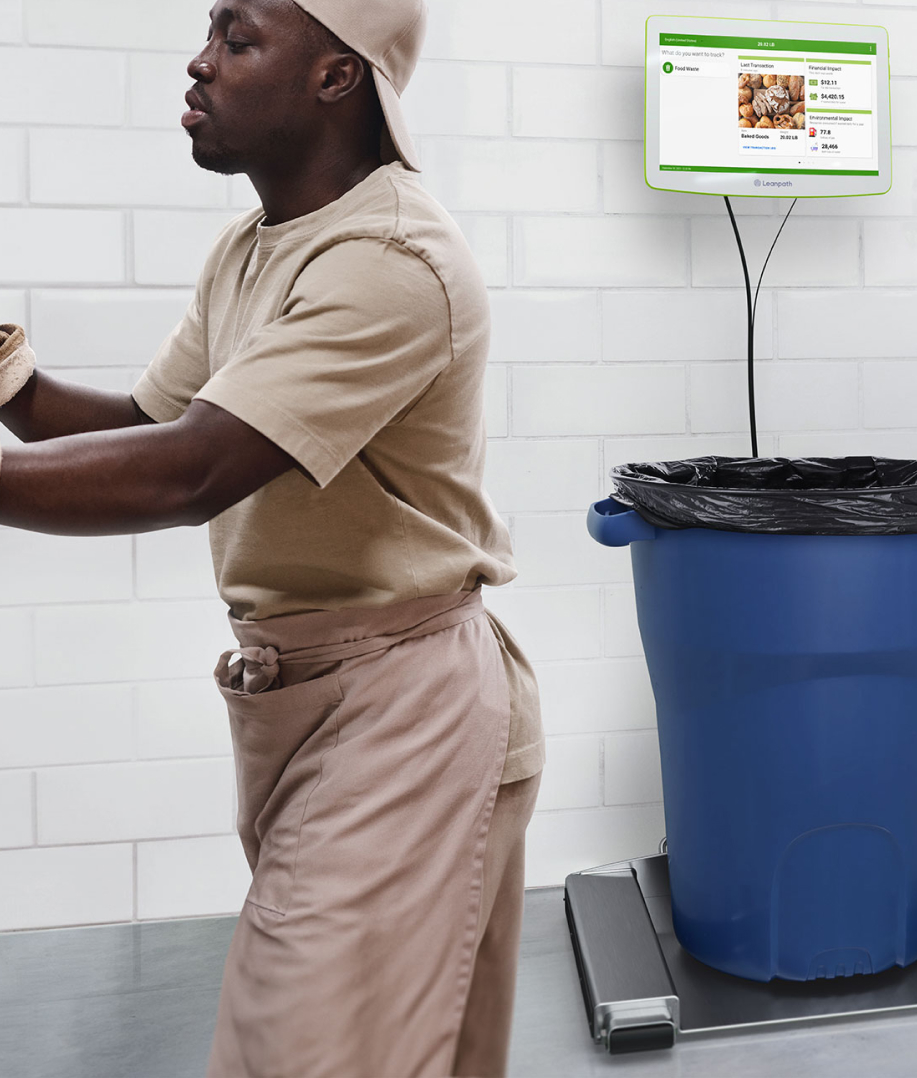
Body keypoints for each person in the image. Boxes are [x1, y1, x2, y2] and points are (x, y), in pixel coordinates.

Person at [0, 0, 543, 1074]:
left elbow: (195, 469)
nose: (199, 64)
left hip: (405, 709)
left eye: (238, 40)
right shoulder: (258, 245)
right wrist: (8, 367)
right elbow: (155, 430)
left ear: (337, 79)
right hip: (313, 696)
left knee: (292, 1054)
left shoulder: (390, 260)